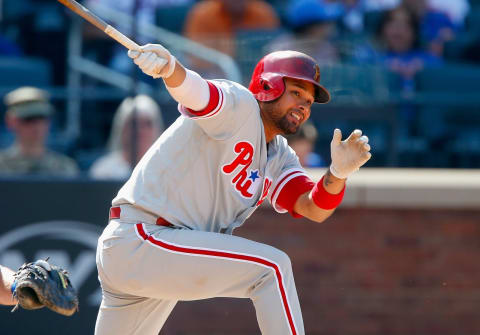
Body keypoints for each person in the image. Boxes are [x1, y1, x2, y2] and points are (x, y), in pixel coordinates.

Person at [94, 44, 372, 335]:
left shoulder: (279, 155)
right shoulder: (239, 106)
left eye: (309, 101)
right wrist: (169, 68)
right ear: (268, 86)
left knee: (270, 270)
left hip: (152, 252)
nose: (303, 106)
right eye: (297, 93)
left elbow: (312, 207)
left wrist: (337, 173)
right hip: (144, 239)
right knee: (272, 270)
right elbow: (195, 91)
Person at [183, 0, 280, 77]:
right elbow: (196, 58)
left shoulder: (263, 12)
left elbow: (275, 48)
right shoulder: (203, 13)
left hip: (256, 74)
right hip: (214, 76)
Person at [0, 87, 79, 176]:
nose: (36, 126)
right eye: (28, 119)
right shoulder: (2, 166)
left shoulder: (64, 167)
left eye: (41, 118)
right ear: (10, 122)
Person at [89, 94, 164, 179]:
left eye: (147, 124)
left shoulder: (166, 169)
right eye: (133, 124)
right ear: (122, 128)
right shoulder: (104, 171)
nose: (140, 130)